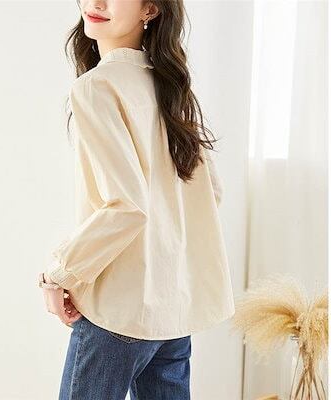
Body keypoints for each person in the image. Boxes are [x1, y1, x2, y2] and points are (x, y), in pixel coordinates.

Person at [38, 0, 235, 399]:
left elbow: (126, 207)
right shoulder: (170, 85)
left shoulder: (96, 87)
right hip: (173, 312)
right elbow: (209, 192)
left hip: (119, 312)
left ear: (150, 9)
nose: (96, 3)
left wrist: (60, 274)